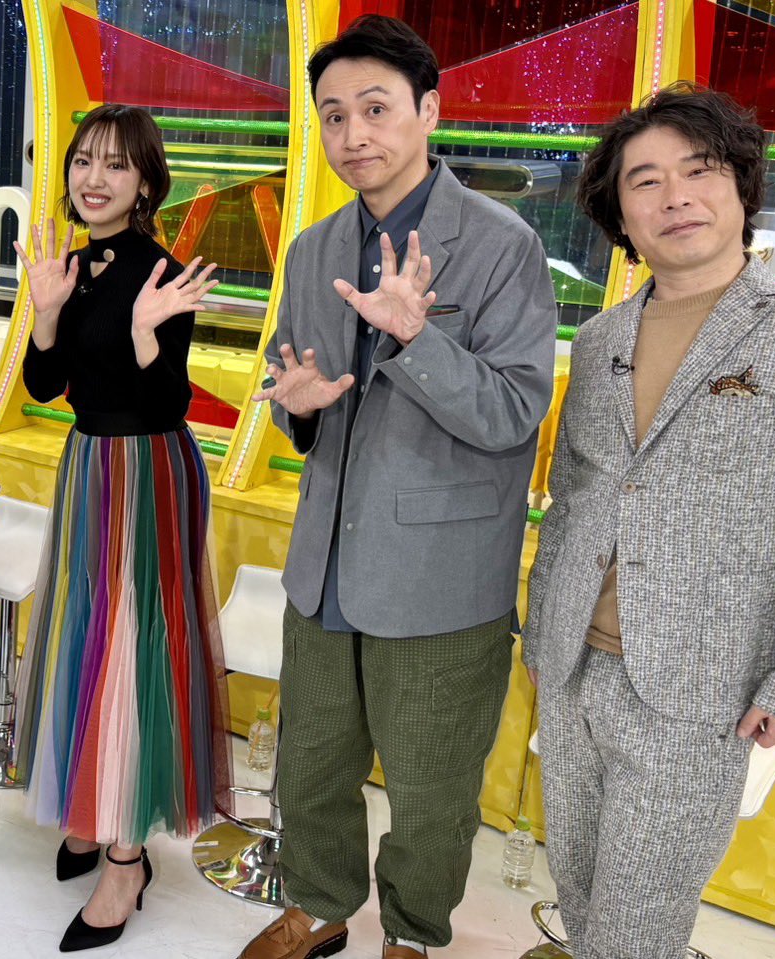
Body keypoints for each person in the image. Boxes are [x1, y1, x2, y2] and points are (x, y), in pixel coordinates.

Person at [238, 15, 557, 959]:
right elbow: (299, 385)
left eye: (375, 109)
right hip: (325, 563)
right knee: (311, 764)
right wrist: (297, 411)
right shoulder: (313, 248)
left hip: (440, 573)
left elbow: (512, 412)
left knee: (431, 788)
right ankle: (318, 904)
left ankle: (412, 933)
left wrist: (417, 338)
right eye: (333, 115)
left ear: (428, 110)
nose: (353, 135)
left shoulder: (501, 245)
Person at [526, 83, 775, 959]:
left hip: (703, 684)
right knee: (579, 894)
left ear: (740, 186)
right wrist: (542, 628)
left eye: (697, 170)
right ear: (620, 217)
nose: (674, 196)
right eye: (645, 181)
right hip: (573, 662)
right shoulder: (599, 338)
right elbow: (573, 495)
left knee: (636, 927)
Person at [10, 102, 230, 953]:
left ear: (144, 183)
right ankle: (92, 800)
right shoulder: (71, 264)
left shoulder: (162, 273)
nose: (92, 178)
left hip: (148, 470)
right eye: (82, 161)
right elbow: (44, 387)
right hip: (88, 465)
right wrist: (45, 314)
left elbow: (167, 403)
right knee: (86, 631)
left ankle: (127, 855)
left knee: (134, 645)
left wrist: (144, 331)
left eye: (114, 164)